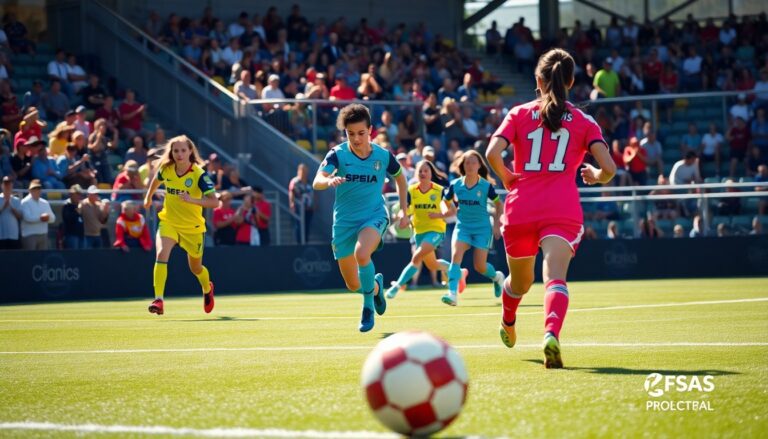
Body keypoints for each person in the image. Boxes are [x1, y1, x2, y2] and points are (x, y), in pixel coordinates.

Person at [485, 48, 616, 368]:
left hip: (521, 208)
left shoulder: (519, 113)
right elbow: (610, 169)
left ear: (538, 80)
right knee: (554, 277)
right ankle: (550, 334)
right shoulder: (584, 121)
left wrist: (507, 176)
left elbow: (491, 153)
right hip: (561, 209)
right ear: (570, 81)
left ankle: (508, 320)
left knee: (520, 284)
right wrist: (595, 175)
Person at [312, 104, 409, 332]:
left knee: (362, 253)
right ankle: (375, 288)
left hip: (374, 216)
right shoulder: (337, 154)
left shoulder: (383, 156)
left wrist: (404, 210)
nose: (356, 138)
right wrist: (329, 180)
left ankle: (367, 308)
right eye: (350, 133)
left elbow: (401, 178)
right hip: (344, 223)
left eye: (361, 133)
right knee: (353, 283)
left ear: (370, 130)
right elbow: (317, 181)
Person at [143, 135, 219, 316]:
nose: (179, 154)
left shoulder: (199, 175)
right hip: (169, 222)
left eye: (183, 150)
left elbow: (214, 202)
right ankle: (159, 300)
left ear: (190, 151)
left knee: (196, 268)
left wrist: (192, 199)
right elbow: (156, 181)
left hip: (192, 228)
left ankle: (207, 288)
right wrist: (148, 197)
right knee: (161, 253)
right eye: (176, 150)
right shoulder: (166, 169)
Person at [440, 149, 505, 306]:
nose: (470, 165)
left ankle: (497, 277)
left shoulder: (485, 186)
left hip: (482, 229)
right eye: (467, 162)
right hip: (463, 227)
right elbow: (444, 201)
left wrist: (497, 224)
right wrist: (446, 209)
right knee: (455, 257)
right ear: (463, 165)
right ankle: (452, 294)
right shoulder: (456, 184)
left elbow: (499, 204)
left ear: (479, 165)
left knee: (480, 266)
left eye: (473, 162)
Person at [385, 160, 455, 299]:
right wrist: (403, 217)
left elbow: (452, 211)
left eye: (426, 171)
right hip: (419, 232)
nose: (423, 173)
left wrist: (438, 215)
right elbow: (404, 210)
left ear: (431, 173)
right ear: (416, 174)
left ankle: (397, 286)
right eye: (420, 171)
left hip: (436, 231)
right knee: (433, 265)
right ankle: (457, 271)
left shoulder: (440, 190)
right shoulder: (411, 191)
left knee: (416, 257)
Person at [20, 179, 56, 250]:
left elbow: (53, 218)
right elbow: (27, 218)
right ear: (30, 190)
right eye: (34, 188)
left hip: (43, 234)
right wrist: (41, 218)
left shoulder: (45, 202)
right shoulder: (24, 202)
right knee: (31, 256)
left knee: (43, 256)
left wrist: (48, 218)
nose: (37, 190)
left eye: (38, 188)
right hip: (29, 235)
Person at [288, 163, 314, 243]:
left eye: (306, 171)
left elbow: (313, 193)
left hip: (308, 208)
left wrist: (314, 204)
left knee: (307, 226)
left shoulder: (309, 182)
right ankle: (299, 243)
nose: (304, 173)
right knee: (299, 226)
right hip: (299, 208)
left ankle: (305, 242)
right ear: (298, 171)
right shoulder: (295, 181)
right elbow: (291, 192)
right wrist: (292, 203)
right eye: (303, 171)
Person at [0, 175, 21, 249]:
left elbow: (19, 216)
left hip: (13, 235)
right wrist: (4, 206)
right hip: (1, 235)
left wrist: (12, 208)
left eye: (9, 183)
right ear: (1, 185)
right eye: (5, 183)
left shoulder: (16, 200)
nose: (7, 185)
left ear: (12, 185)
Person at [61, 184, 85, 249]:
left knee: (82, 254)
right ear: (71, 194)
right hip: (71, 235)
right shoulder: (67, 205)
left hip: (81, 234)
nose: (79, 196)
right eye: (77, 194)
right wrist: (77, 212)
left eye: (79, 194)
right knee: (73, 254)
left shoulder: (81, 205)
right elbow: (68, 219)